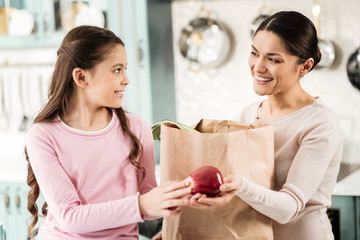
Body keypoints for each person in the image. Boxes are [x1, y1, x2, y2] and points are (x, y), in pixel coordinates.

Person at [25, 25, 191, 239]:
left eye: (125, 69)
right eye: (116, 70)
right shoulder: (43, 136)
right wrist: (141, 205)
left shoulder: (137, 128)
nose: (126, 79)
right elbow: (70, 217)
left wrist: (176, 196)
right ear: (81, 78)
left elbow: (148, 203)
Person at [188, 11, 343, 240]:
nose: (258, 67)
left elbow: (289, 207)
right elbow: (235, 193)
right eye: (254, 53)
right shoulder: (247, 114)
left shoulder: (320, 123)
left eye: (273, 59)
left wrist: (240, 185)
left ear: (305, 66)